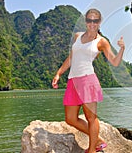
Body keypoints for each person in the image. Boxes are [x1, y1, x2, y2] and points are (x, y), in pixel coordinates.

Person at [52, 8, 125, 153]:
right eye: (89, 20)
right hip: (73, 81)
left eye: (95, 21)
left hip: (88, 81)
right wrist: (59, 73)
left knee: (91, 118)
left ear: (99, 22)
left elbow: (114, 62)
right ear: (85, 21)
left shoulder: (101, 41)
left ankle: (92, 149)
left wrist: (121, 49)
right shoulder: (78, 36)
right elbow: (71, 58)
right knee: (70, 118)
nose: (92, 23)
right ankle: (97, 140)